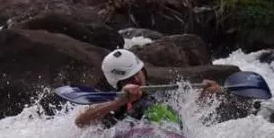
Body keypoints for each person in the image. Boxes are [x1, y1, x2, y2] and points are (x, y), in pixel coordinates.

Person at [74, 49, 221, 129]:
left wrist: (205, 95)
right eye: (129, 79)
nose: (137, 80)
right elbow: (80, 122)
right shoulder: (113, 104)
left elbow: (189, 117)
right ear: (118, 84)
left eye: (137, 73)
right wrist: (119, 102)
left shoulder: (158, 93)